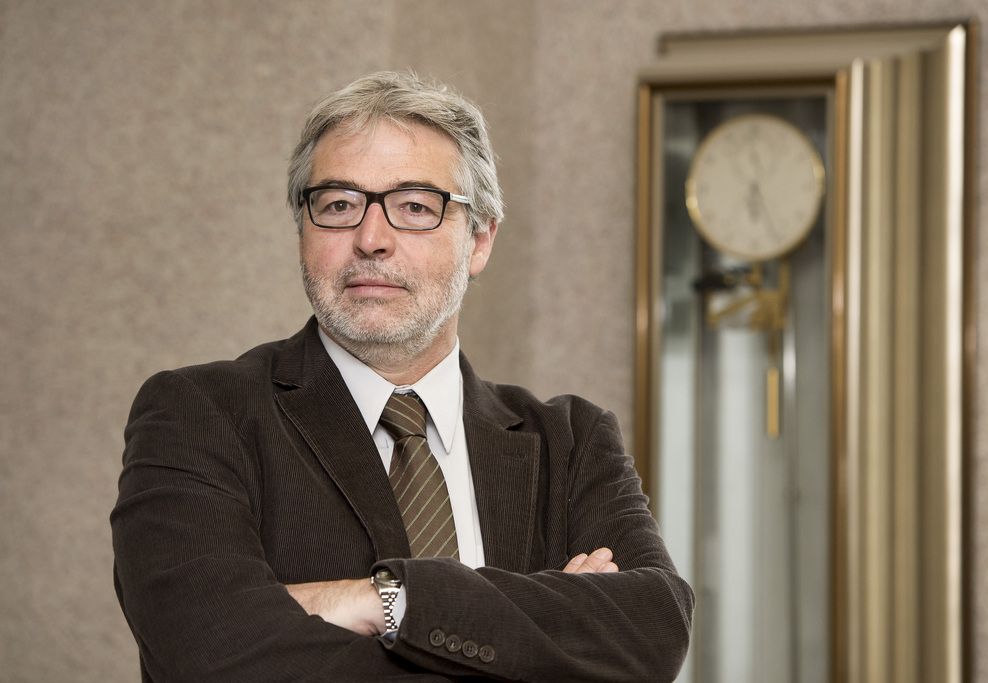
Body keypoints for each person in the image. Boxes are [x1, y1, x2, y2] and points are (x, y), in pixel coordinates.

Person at [111, 71, 694, 682]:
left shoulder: (569, 441)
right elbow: (207, 654)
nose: (370, 239)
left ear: (480, 240)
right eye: (338, 205)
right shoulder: (198, 415)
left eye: (414, 207)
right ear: (302, 230)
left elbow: (652, 631)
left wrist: (384, 601)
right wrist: (541, 639)